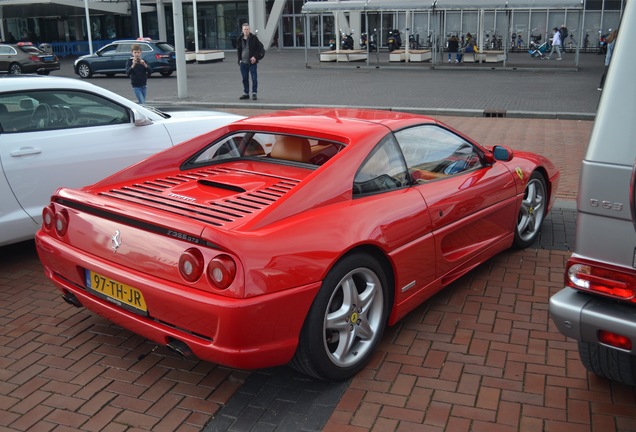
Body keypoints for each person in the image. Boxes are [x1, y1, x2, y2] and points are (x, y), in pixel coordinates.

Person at [236, 23, 264, 101]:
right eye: (245, 29)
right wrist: (239, 60)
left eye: (247, 29)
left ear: (249, 30)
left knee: (254, 78)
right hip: (243, 63)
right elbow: (238, 50)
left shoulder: (254, 38)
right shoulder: (239, 39)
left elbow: (259, 49)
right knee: (244, 79)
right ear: (242, 30)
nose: (246, 31)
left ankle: (254, 93)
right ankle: (246, 93)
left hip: (252, 63)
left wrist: (255, 57)